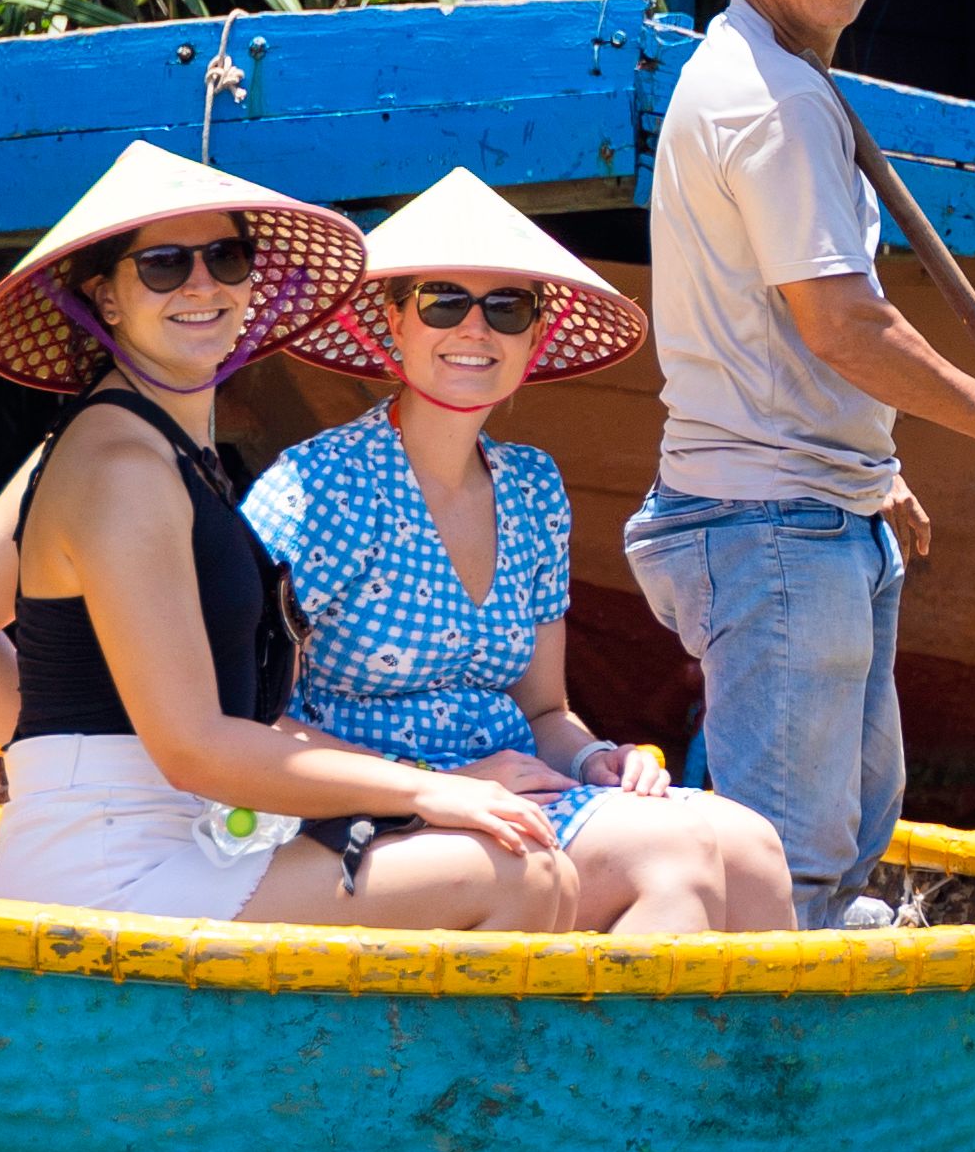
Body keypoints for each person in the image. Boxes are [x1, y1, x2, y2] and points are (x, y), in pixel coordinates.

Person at [622, 0, 975, 926]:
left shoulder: (774, 71)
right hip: (774, 529)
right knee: (784, 876)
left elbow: (783, 329)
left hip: (806, 509)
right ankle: (763, 1089)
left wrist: (869, 460)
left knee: (837, 838)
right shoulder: (774, 97)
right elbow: (842, 322)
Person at [0, 141, 583, 927]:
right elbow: (194, 746)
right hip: (118, 871)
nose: (202, 284)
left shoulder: (119, 440)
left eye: (227, 258)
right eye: (164, 264)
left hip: (182, 835)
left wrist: (68, 757)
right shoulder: (124, 467)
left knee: (525, 865)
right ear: (106, 300)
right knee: (521, 874)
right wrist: (431, 786)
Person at [249, 171, 798, 935]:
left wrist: (594, 760)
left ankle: (764, 1060)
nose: (476, 330)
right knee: (674, 857)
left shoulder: (533, 487)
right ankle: (620, 1059)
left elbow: (544, 709)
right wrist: (427, 784)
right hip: (363, 817)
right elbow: (246, 725)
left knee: (751, 844)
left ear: (534, 338)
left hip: (517, 794)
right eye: (444, 302)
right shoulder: (318, 488)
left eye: (507, 309)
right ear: (392, 325)